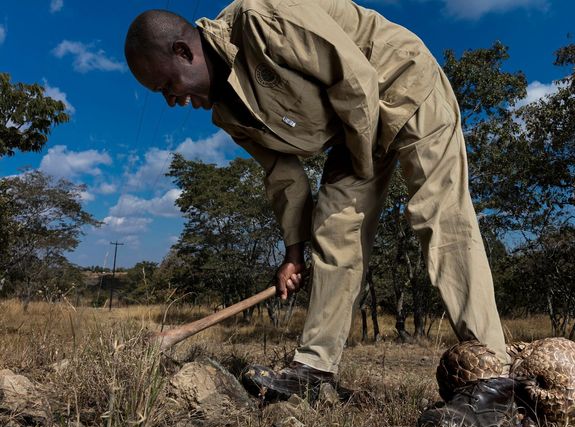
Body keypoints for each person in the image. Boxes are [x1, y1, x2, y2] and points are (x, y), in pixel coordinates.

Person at [125, 0, 509, 401]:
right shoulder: (227, 114)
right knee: (332, 226)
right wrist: (294, 251)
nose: (172, 100)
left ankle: (493, 374)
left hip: (402, 84)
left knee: (438, 214)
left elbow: (355, 77)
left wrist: (359, 171)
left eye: (167, 86)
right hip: (353, 127)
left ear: (184, 52)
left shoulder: (261, 19)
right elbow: (283, 175)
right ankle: (315, 368)